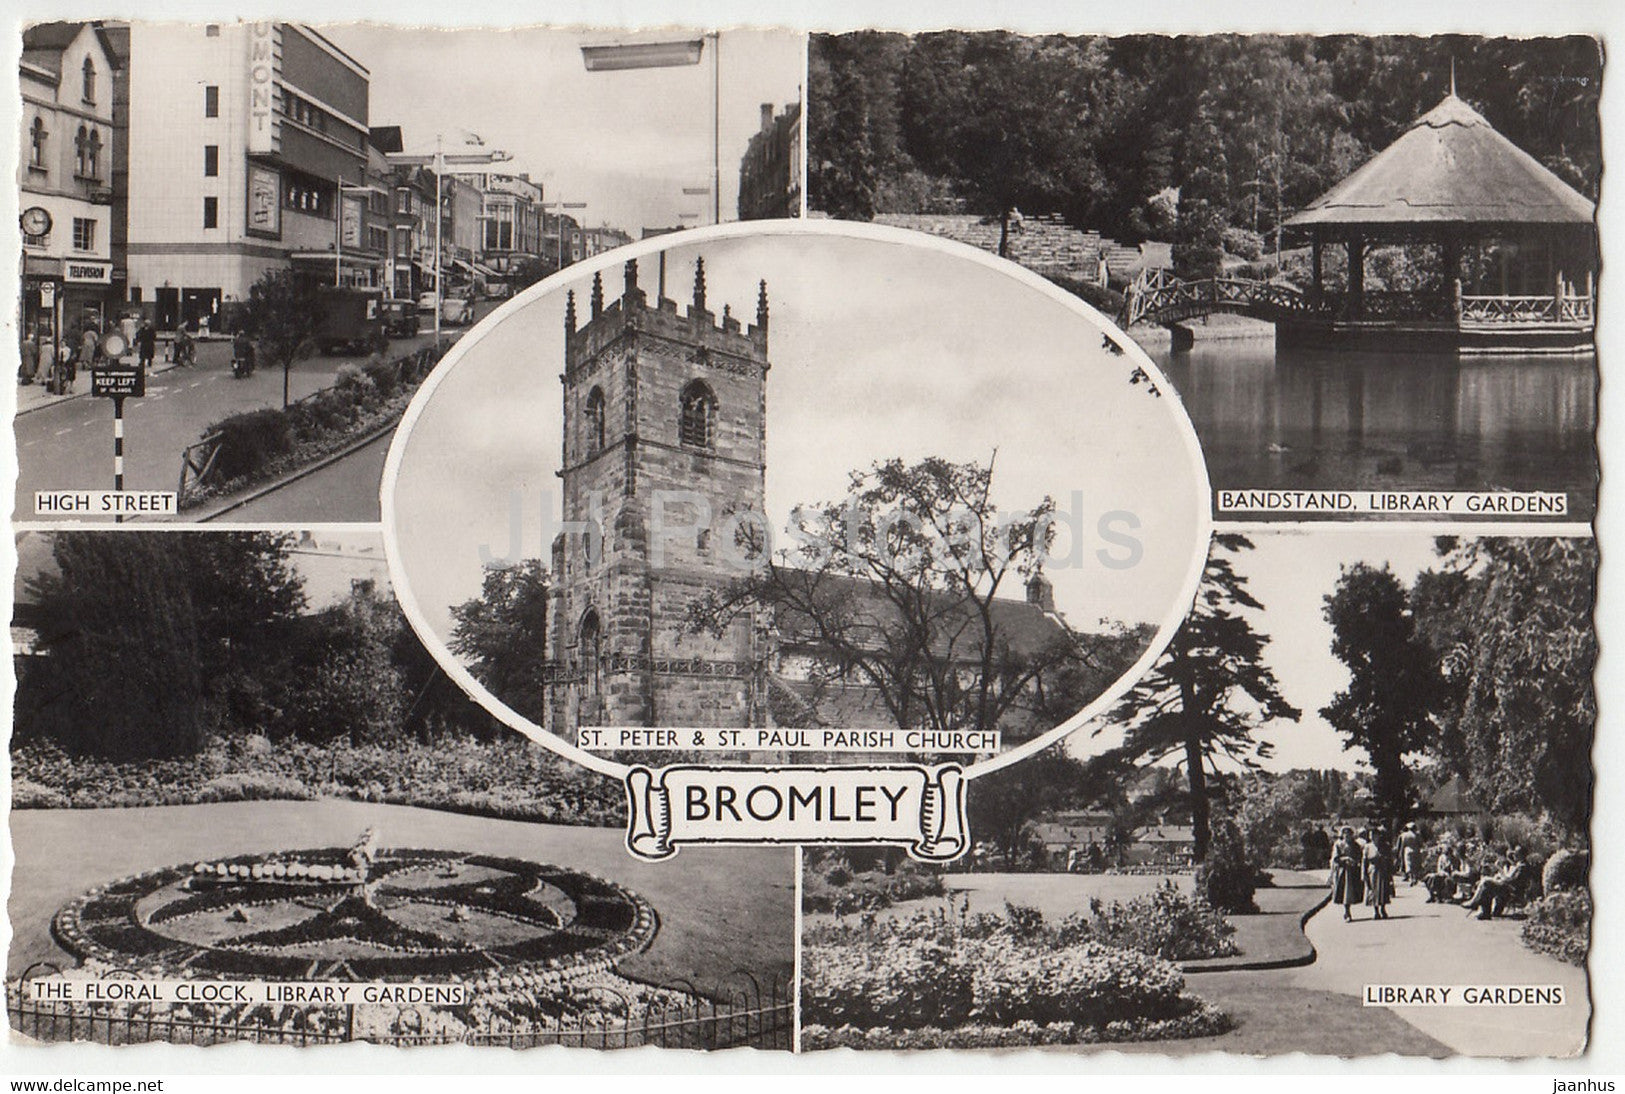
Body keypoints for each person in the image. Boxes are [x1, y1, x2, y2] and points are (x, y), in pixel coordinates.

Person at [1330, 827, 1364, 921]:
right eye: (1345, 833)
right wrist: (1345, 859)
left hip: (1353, 871)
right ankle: (1347, 911)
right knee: (1344, 891)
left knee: (1351, 892)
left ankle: (1348, 911)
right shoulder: (1338, 844)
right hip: (1342, 871)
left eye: (1349, 833)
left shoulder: (1356, 845)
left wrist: (1355, 861)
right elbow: (1335, 858)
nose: (1347, 835)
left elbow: (1360, 857)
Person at [1365, 826, 1394, 920]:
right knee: (1374, 891)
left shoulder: (1384, 846)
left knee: (1383, 890)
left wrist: (1390, 871)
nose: (1373, 837)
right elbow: (1364, 861)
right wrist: (1363, 874)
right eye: (1371, 835)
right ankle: (1376, 911)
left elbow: (1389, 859)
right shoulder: (1367, 846)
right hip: (1372, 870)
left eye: (1375, 835)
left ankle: (1383, 909)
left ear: (1378, 836)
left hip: (1383, 870)